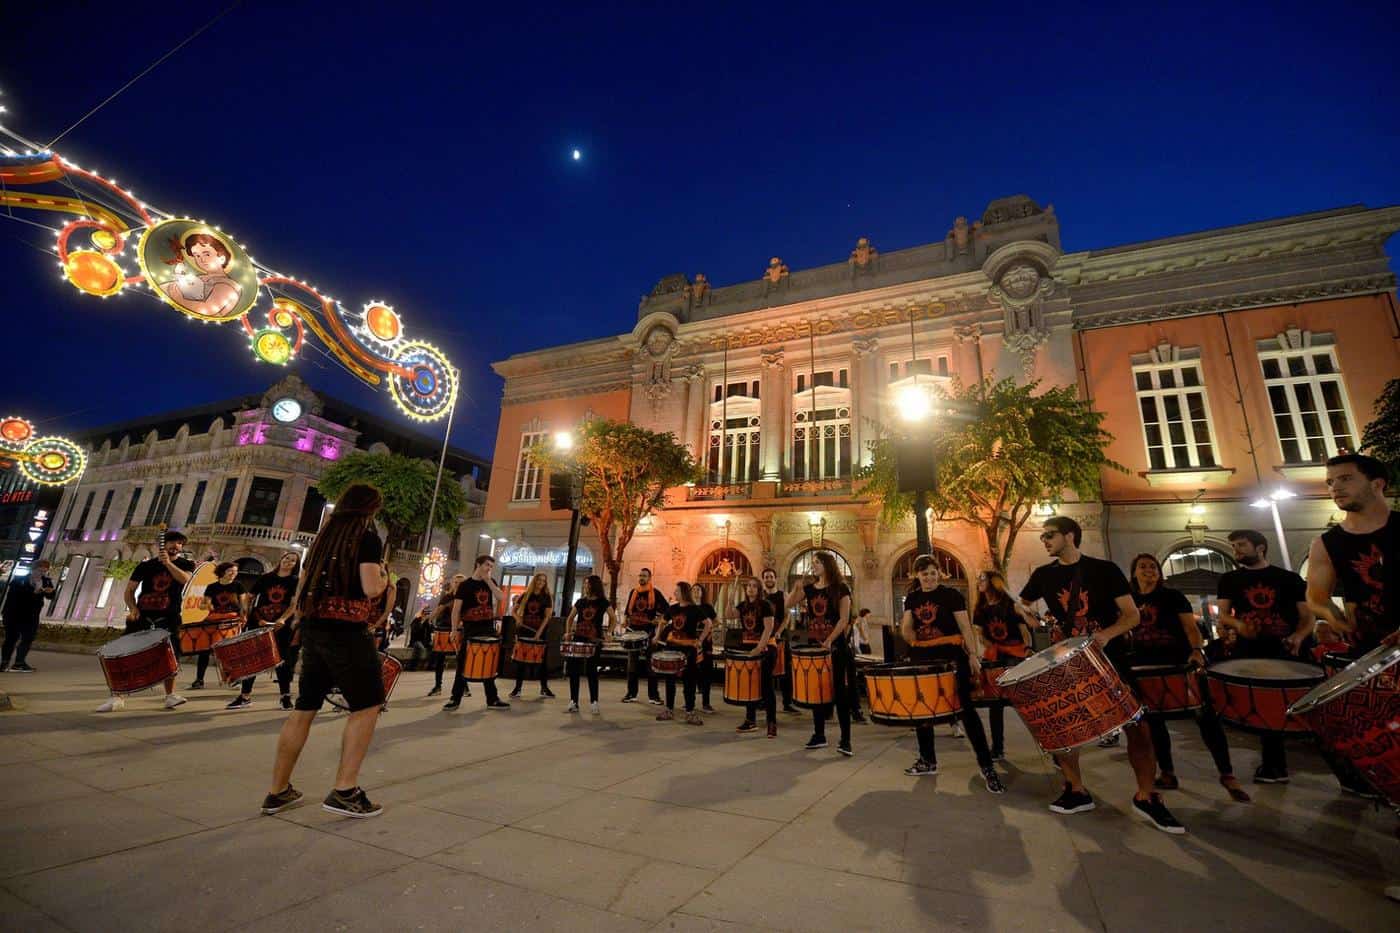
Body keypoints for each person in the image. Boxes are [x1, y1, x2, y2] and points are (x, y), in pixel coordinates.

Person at [1018, 516, 1185, 834]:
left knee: (1137, 726)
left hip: (1111, 659)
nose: (1044, 541)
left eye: (1049, 536)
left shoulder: (1104, 570)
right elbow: (1021, 604)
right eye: (1042, 537)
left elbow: (1132, 615)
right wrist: (1031, 619)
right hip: (1068, 662)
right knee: (1063, 728)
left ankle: (1146, 796)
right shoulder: (1042, 575)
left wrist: (1106, 635)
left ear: (1070, 536)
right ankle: (1076, 789)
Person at [261, 483, 389, 818]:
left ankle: (278, 790)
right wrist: (386, 580)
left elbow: (303, 587)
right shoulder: (366, 538)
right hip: (347, 631)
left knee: (305, 706)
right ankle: (345, 790)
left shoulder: (322, 540)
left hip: (315, 629)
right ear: (370, 509)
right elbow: (370, 587)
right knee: (366, 706)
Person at [1128, 553, 1248, 802]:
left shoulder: (1173, 597)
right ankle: (1168, 772)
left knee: (1206, 718)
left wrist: (1196, 650)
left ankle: (1227, 774)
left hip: (1178, 663)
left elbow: (1189, 627)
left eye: (1153, 566)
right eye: (1143, 566)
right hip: (1144, 666)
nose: (1149, 570)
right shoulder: (1128, 600)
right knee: (1155, 724)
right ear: (1134, 573)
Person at [899, 556, 1006, 793]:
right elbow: (907, 627)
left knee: (966, 712)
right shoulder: (913, 598)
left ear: (939, 573)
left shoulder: (952, 595)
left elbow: (965, 626)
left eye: (932, 572)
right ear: (917, 575)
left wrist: (973, 655)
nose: (929, 577)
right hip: (924, 660)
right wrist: (906, 630)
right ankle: (927, 760)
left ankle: (987, 766)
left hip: (952, 658)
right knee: (923, 713)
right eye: (924, 573)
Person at [1216, 529, 1314, 784]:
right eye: (1234, 546)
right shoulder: (1229, 579)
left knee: (1294, 709)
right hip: (1250, 652)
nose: (1236, 550)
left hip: (1284, 650)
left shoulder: (1289, 579)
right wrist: (1239, 626)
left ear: (1260, 547)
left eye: (1241, 545)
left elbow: (1307, 617)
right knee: (1264, 707)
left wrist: (1299, 637)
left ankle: (1277, 766)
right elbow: (1224, 615)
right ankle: (1274, 766)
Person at [1307, 453, 1399, 655]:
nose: (1335, 487)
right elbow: (1317, 598)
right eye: (1330, 482)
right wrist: (1335, 619)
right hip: (1371, 653)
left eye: (1346, 478)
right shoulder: (1325, 543)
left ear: (1377, 484)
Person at [98, 532, 194, 712]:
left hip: (169, 617)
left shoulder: (185, 564)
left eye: (180, 543)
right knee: (124, 654)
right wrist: (133, 608)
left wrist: (168, 563)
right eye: (172, 542)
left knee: (170, 656)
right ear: (162, 544)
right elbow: (129, 591)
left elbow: (185, 580)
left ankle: (170, 696)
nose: (176, 546)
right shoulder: (145, 566)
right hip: (143, 616)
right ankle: (116, 696)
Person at [784, 552, 855, 757]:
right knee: (816, 692)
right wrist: (797, 587)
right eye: (813, 562)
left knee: (840, 693)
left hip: (836, 647)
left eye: (817, 562)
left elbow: (844, 619)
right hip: (815, 646)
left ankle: (846, 739)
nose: (813, 565)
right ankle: (819, 735)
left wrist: (830, 639)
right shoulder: (808, 589)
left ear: (827, 565)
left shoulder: (841, 588)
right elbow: (788, 604)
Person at [969, 569, 1031, 761]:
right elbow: (980, 634)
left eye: (983, 579)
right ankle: (997, 748)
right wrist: (989, 647)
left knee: (1025, 703)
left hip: (1014, 654)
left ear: (993, 582)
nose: (979, 582)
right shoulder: (981, 608)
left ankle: (1051, 746)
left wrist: (1027, 650)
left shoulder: (1009, 604)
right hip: (995, 657)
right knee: (995, 705)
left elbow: (1024, 630)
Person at [226, 551, 300, 710]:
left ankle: (285, 697)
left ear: (295, 565)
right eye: (287, 558)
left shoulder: (296, 581)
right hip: (259, 621)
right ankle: (245, 696)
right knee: (253, 659)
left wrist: (283, 619)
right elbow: (249, 596)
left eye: (293, 560)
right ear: (281, 560)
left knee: (282, 661)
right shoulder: (266, 578)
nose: (288, 561)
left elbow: (294, 604)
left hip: (281, 626)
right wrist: (247, 612)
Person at [444, 555, 509, 711]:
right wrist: (454, 629)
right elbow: (456, 609)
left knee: (489, 661)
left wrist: (488, 581)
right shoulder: (465, 585)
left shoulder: (490, 582)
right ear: (478, 565)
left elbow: (501, 597)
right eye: (487, 565)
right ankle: (455, 698)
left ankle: (492, 699)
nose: (489, 568)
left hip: (488, 627)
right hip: (471, 628)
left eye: (491, 566)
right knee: (462, 663)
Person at [654, 581, 710, 724]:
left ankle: (690, 712)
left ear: (683, 593)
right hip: (671, 648)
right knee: (670, 680)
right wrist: (657, 636)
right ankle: (669, 710)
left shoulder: (694, 609)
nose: (674, 593)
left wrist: (700, 640)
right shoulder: (672, 609)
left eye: (677, 591)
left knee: (689, 681)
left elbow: (709, 624)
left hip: (688, 650)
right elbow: (662, 622)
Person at [728, 576, 778, 737]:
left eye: (754, 586)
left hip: (766, 647)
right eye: (748, 586)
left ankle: (772, 723)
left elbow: (768, 628)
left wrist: (759, 647)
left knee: (766, 686)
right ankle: (750, 721)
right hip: (749, 647)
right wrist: (732, 594)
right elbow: (729, 615)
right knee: (750, 685)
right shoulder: (743, 605)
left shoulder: (765, 605)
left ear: (759, 589)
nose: (750, 588)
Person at [564, 574, 613, 714]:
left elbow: (613, 618)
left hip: (594, 641)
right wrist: (568, 632)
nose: (585, 586)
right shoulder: (580, 602)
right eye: (585, 584)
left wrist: (609, 632)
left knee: (592, 671)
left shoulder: (603, 602)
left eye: (588, 584)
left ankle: (594, 702)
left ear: (594, 585)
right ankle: (573, 701)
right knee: (574, 670)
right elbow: (570, 618)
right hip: (578, 639)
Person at [192, 561, 244, 689]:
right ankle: (199, 680)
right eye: (230, 571)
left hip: (231, 621)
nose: (233, 573)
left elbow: (244, 605)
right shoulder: (212, 587)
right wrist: (207, 605)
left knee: (228, 650)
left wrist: (243, 617)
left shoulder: (238, 585)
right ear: (222, 572)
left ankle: (232, 678)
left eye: (235, 571)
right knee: (204, 650)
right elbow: (203, 604)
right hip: (214, 620)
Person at [621, 568, 668, 704]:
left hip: (649, 633)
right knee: (632, 665)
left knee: (651, 665)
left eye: (644, 576)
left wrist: (658, 620)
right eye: (640, 575)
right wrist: (625, 621)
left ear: (650, 578)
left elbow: (667, 611)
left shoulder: (656, 593)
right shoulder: (633, 592)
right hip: (633, 633)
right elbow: (627, 612)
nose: (641, 577)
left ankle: (653, 696)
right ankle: (631, 694)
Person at [1, 559, 55, 673]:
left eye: (45, 571)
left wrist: (49, 592)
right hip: (14, 614)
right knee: (11, 638)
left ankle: (19, 663)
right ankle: (4, 662)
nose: (42, 573)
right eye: (40, 570)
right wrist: (33, 592)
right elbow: (13, 596)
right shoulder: (19, 580)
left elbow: (51, 596)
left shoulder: (46, 581)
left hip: (32, 615)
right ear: (33, 569)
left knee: (28, 638)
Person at [509, 573, 556, 699]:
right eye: (539, 580)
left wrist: (539, 633)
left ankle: (544, 688)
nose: (541, 582)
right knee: (521, 662)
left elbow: (547, 617)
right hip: (524, 632)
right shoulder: (525, 595)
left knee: (542, 662)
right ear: (534, 581)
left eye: (543, 580)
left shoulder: (546, 597)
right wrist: (518, 618)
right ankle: (517, 689)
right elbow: (513, 611)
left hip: (540, 632)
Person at [760, 567, 798, 714]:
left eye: (771, 576)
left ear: (775, 579)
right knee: (764, 670)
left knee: (786, 671)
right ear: (763, 579)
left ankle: (787, 703)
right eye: (766, 577)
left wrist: (779, 631)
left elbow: (788, 616)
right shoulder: (761, 597)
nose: (769, 579)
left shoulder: (783, 595)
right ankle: (763, 701)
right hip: (765, 638)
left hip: (780, 637)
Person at [427, 574, 467, 697]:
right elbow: (438, 609)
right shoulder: (447, 597)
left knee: (461, 661)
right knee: (439, 660)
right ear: (452, 583)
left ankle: (464, 687)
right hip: (444, 629)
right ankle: (437, 686)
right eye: (456, 582)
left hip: (459, 631)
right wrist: (429, 619)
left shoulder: (466, 598)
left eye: (461, 583)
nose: (458, 584)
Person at [692, 582, 718, 713]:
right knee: (691, 673)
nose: (696, 591)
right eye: (694, 589)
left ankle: (706, 703)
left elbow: (716, 621)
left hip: (706, 643)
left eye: (698, 590)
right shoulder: (689, 607)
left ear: (702, 593)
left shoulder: (707, 607)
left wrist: (710, 628)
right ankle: (689, 702)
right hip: (691, 643)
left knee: (706, 673)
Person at [846, 609, 870, 724]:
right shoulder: (853, 627)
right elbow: (855, 644)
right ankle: (856, 711)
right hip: (848, 654)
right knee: (852, 684)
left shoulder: (853, 627)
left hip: (847, 654)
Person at [407, 605, 433, 671]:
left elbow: (431, 631)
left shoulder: (428, 622)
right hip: (416, 640)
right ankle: (412, 666)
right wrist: (422, 622)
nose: (427, 615)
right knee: (419, 647)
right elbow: (415, 631)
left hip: (425, 641)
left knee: (433, 648)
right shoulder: (416, 620)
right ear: (422, 613)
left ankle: (429, 666)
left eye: (428, 614)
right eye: (426, 613)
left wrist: (430, 624)